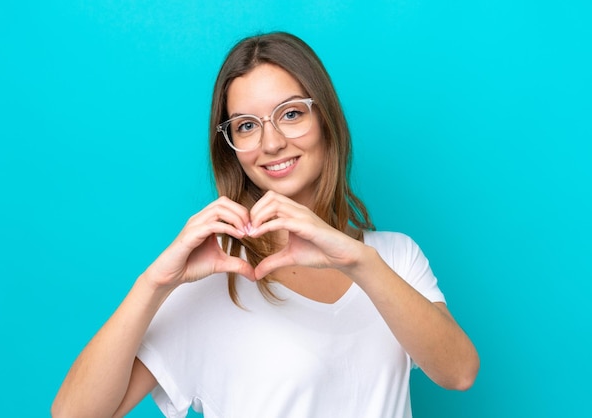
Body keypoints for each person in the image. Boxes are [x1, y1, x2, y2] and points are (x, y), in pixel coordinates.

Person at [51, 32, 479, 418]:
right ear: (231, 146)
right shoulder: (215, 275)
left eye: (291, 114)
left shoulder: (392, 256)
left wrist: (358, 261)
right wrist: (154, 283)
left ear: (325, 119)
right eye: (247, 126)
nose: (271, 143)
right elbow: (73, 415)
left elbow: (458, 373)